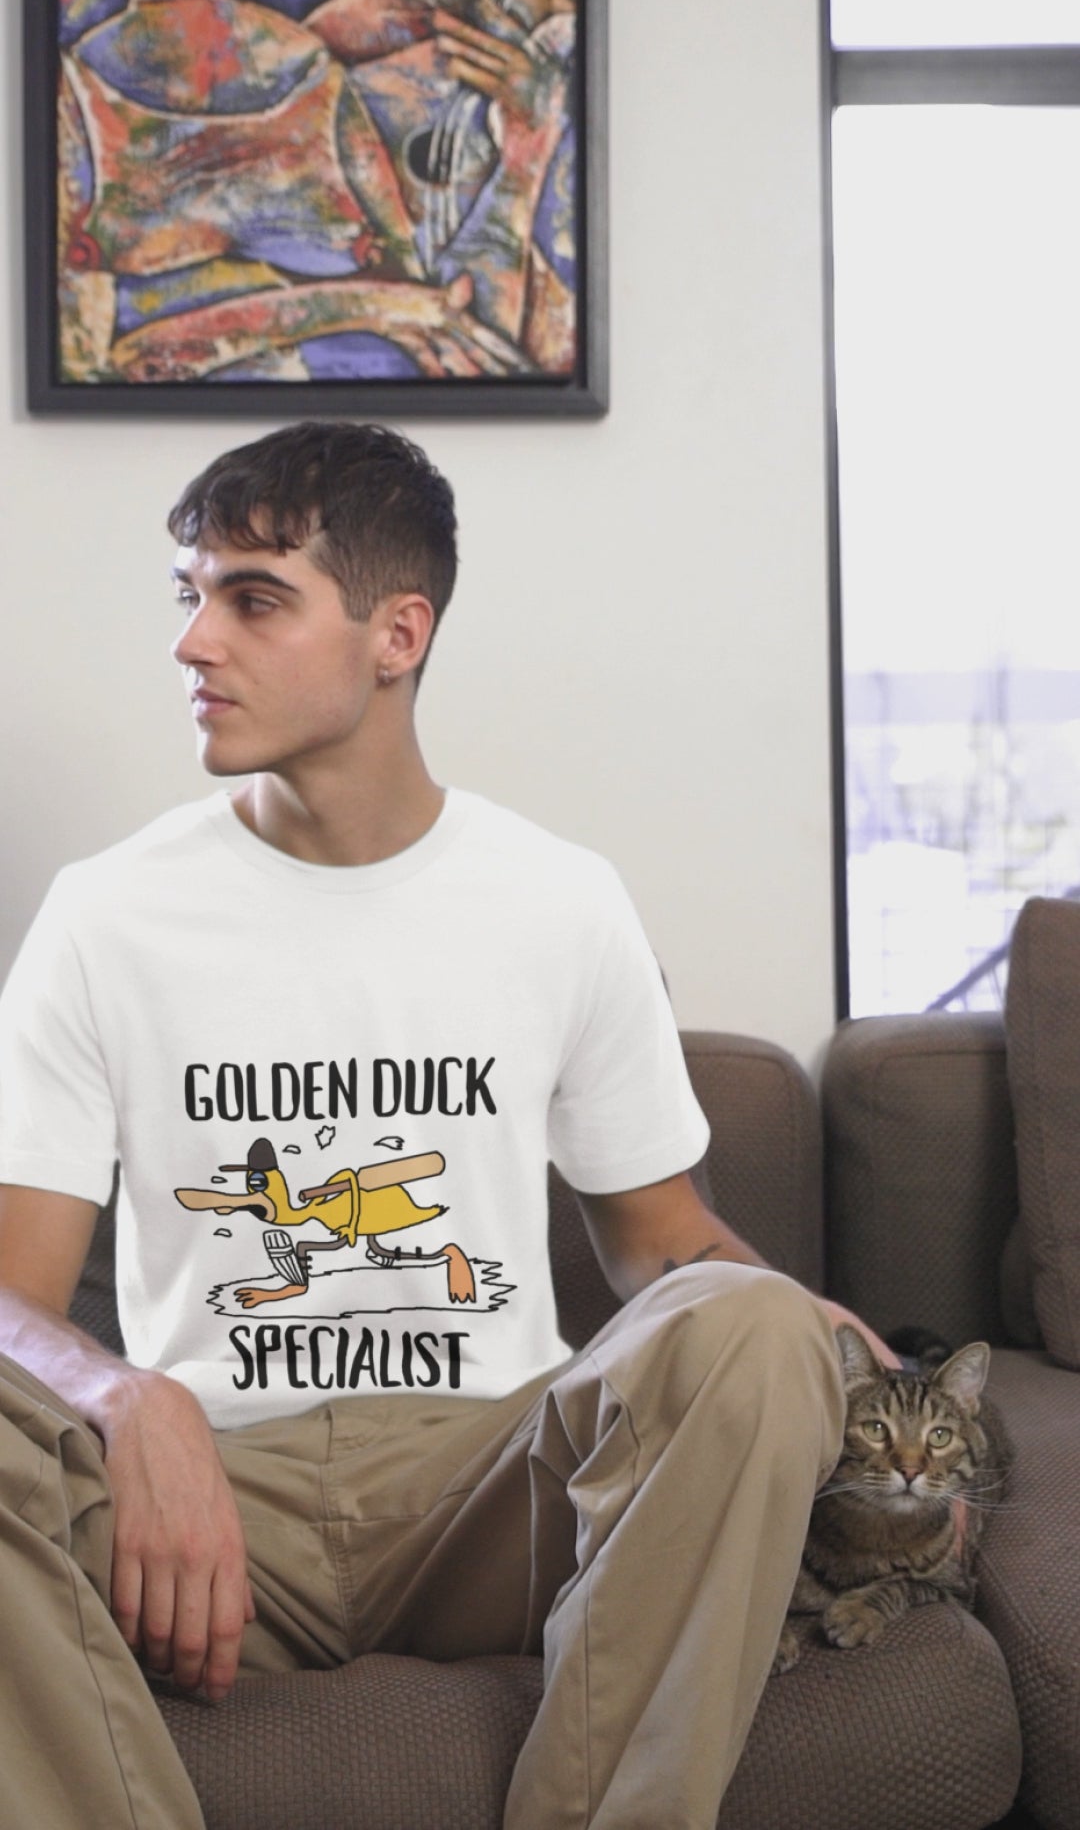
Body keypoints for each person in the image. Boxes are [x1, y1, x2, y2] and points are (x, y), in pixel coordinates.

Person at [0, 421, 880, 1830]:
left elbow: (663, 1240)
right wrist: (126, 1401)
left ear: (396, 635)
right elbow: (13, 1301)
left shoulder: (560, 900)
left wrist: (811, 1353)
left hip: (501, 1489)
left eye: (253, 599)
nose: (193, 643)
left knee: (757, 1327)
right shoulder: (106, 917)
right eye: (192, 594)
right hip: (213, 1509)